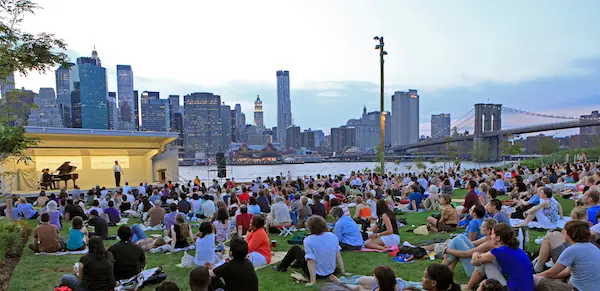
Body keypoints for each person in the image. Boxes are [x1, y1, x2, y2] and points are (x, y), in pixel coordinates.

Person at [274, 215, 349, 287]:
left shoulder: (309, 240)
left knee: (295, 248)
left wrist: (313, 281)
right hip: (330, 271)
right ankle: (294, 265)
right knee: (305, 252)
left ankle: (281, 267)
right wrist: (343, 272)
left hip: (317, 273)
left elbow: (311, 261)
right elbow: (338, 255)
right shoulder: (332, 236)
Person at [466, 223, 534, 291]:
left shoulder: (499, 251)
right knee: (488, 260)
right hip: (528, 288)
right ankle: (469, 287)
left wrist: (475, 253)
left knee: (485, 263)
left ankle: (468, 287)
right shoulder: (517, 250)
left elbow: (473, 262)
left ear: (498, 238)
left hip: (512, 289)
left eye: (492, 234)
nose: (490, 236)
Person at [535, 220, 600, 291]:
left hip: (575, 289)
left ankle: (536, 268)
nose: (562, 232)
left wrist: (532, 276)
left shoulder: (572, 250)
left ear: (569, 233)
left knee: (535, 279)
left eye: (564, 230)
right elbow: (566, 272)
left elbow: (551, 273)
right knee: (557, 279)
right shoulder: (593, 247)